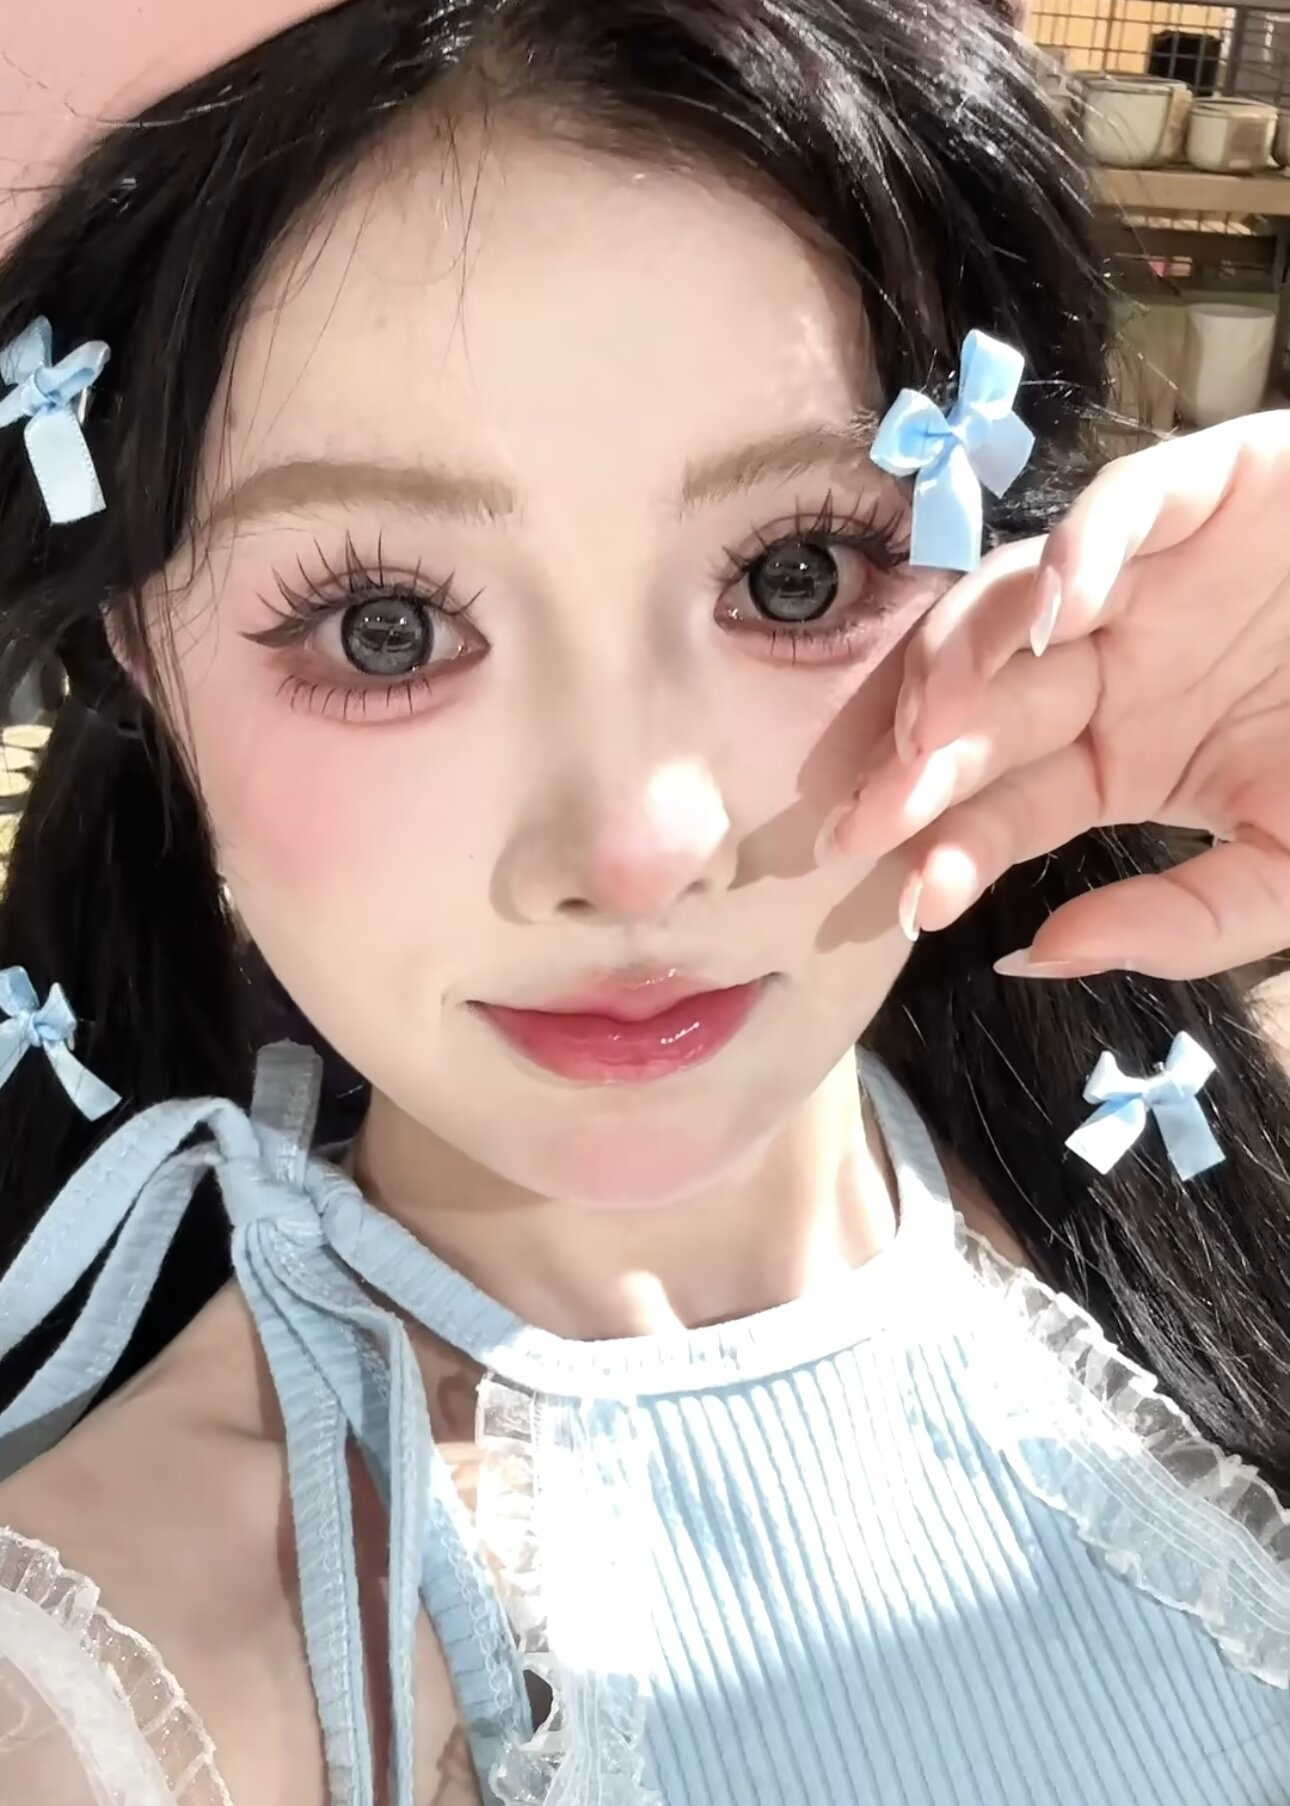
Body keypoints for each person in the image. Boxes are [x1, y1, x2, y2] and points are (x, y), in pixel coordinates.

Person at [0, 2, 1289, 1803]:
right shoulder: (133, 1692)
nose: (637, 848)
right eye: (386, 625)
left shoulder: (1171, 1188)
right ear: (145, 659)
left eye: (797, 571)